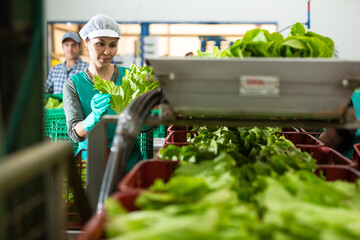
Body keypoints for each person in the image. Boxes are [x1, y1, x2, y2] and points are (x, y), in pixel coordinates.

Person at [63, 14, 142, 171]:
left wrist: (143, 117)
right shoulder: (73, 85)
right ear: (86, 42)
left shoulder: (131, 77)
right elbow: (74, 133)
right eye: (100, 44)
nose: (107, 52)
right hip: (91, 162)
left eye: (113, 45)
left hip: (128, 159)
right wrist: (92, 118)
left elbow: (146, 125)